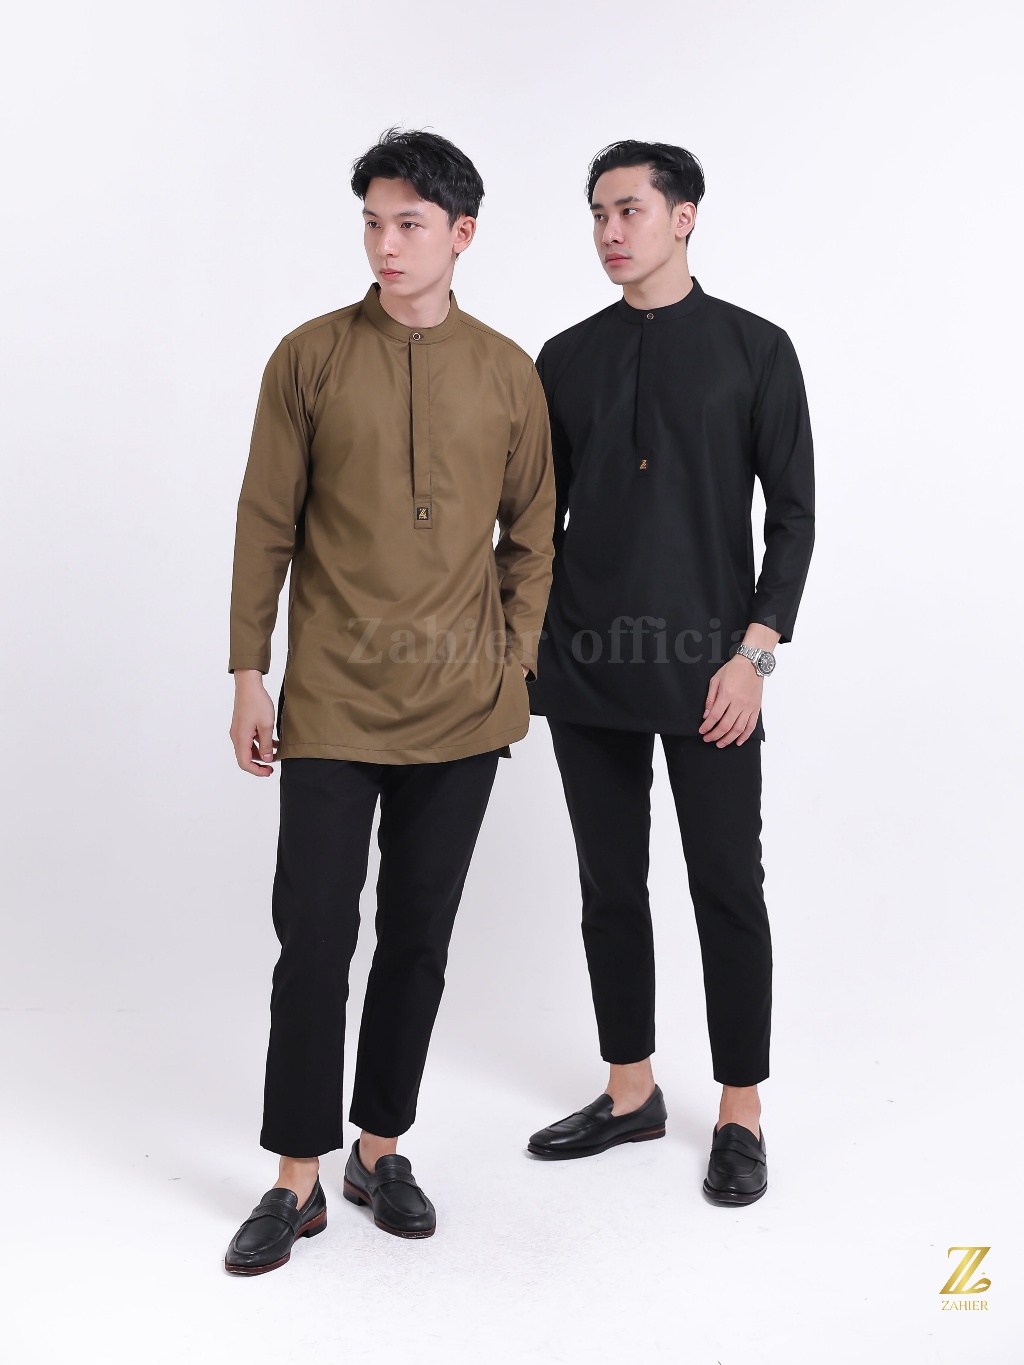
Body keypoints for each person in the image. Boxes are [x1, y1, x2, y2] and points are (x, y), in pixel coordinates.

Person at [223, 128, 555, 1274]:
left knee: (418, 940)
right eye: (372, 222)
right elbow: (264, 520)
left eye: (409, 223)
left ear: (462, 234)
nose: (385, 244)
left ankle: (380, 1149)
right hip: (330, 700)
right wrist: (248, 669)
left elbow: (534, 532)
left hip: (464, 711)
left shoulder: (507, 371)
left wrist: (513, 663)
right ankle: (296, 1177)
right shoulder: (309, 357)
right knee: (314, 941)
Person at [525, 140, 815, 1205]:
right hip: (586, 663)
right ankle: (631, 1088)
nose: (610, 231)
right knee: (610, 886)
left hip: (712, 672)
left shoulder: (755, 348)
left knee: (726, 884)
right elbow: (534, 521)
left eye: (630, 210)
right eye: (597, 214)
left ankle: (739, 1109)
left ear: (683, 216)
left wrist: (754, 654)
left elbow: (793, 517)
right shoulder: (564, 357)